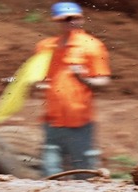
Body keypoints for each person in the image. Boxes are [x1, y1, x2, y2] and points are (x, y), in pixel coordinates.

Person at [33, 2, 111, 176]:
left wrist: (82, 79)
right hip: (52, 122)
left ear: (81, 18)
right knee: (49, 173)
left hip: (79, 123)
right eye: (66, 19)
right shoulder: (46, 47)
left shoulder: (92, 46)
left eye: (74, 18)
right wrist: (40, 84)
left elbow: (104, 81)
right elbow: (43, 78)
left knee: (84, 173)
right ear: (57, 21)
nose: (71, 22)